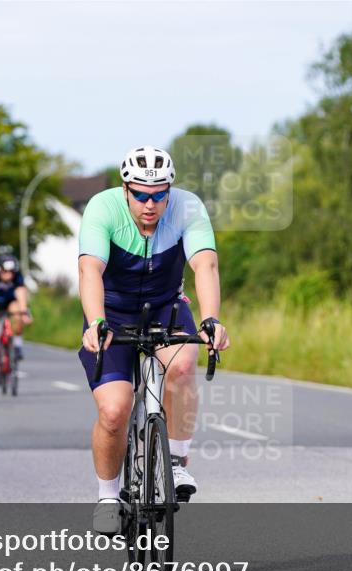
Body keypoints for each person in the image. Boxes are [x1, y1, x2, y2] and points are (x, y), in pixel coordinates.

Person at [78, 145, 230, 535]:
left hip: (165, 304)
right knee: (115, 410)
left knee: (181, 365)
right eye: (142, 195)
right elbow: (90, 269)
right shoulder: (102, 207)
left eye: (159, 194)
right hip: (111, 312)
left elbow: (205, 263)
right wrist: (96, 320)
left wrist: (211, 319)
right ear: (126, 189)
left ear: (169, 191)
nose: (150, 204)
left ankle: (176, 461)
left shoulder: (188, 207)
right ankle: (108, 495)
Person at [0, 256, 32, 385]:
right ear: (0, 270)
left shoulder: (17, 276)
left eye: (11, 272)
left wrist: (24, 312)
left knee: (18, 314)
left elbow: (21, 293)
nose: (8, 275)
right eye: (5, 272)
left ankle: (17, 343)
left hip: (11, 303)